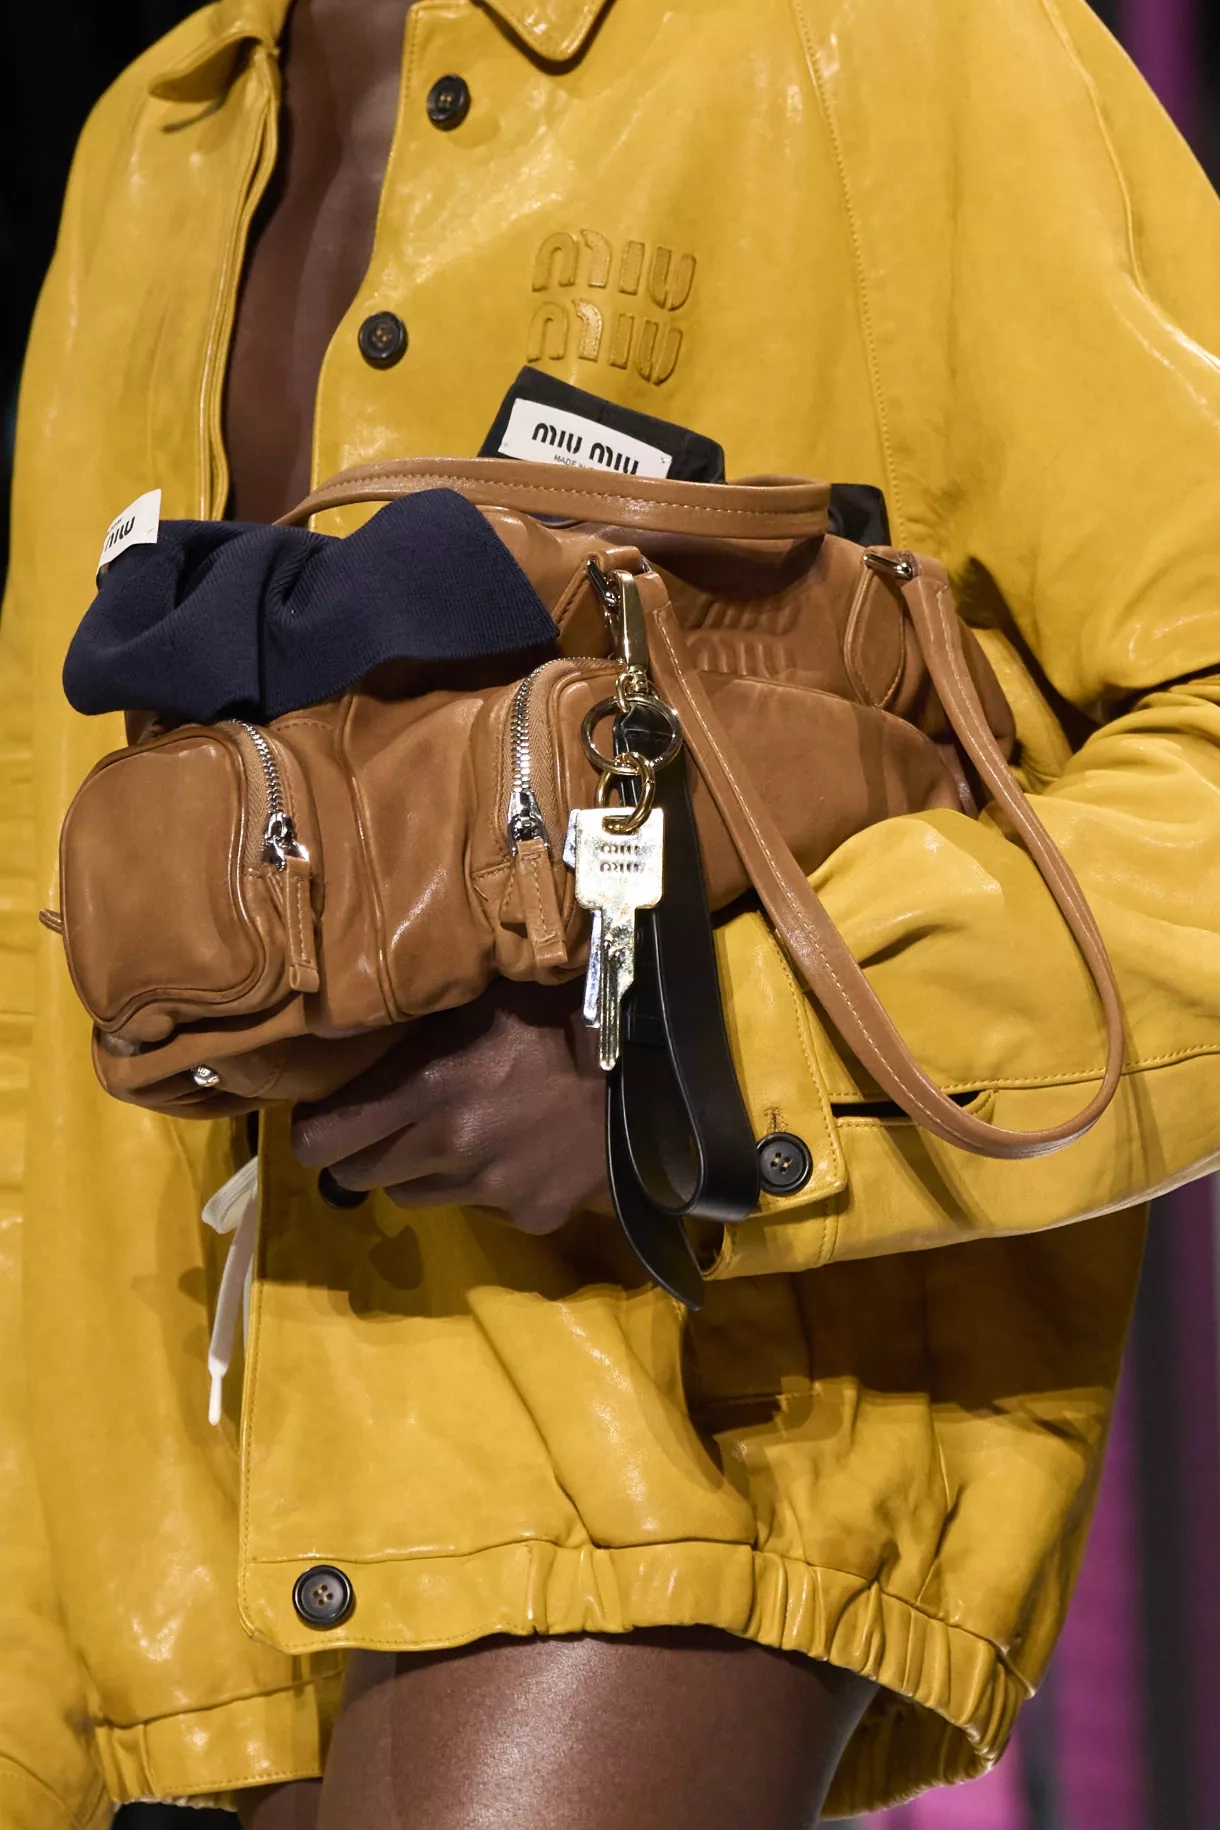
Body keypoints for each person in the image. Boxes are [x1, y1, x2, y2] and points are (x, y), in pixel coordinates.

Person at [4, 0, 1220, 1822]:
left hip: (662, 1423)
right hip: (173, 1505)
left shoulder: (876, 38)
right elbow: (42, 957)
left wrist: (696, 1077)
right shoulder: (156, 142)